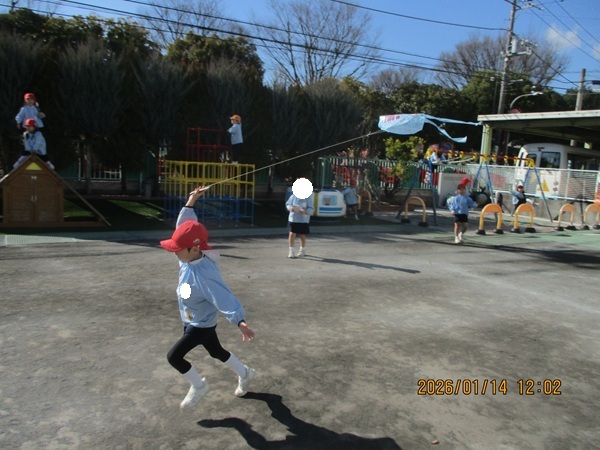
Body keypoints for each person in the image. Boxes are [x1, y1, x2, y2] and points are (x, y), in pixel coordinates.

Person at [160, 186, 256, 409]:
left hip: (200, 323)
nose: (174, 252)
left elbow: (223, 296)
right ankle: (245, 373)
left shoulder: (205, 273)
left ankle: (199, 386)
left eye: (178, 249)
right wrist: (192, 200)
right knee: (216, 351)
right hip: (191, 317)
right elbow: (184, 227)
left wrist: (239, 321)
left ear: (194, 249)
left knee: (174, 357)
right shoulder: (188, 257)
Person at [285, 187, 314, 258]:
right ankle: (291, 251)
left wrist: (305, 211)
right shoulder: (293, 196)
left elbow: (311, 208)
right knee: (292, 234)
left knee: (302, 235)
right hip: (293, 219)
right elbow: (288, 204)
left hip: (303, 219)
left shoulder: (308, 198)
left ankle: (302, 250)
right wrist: (290, 208)